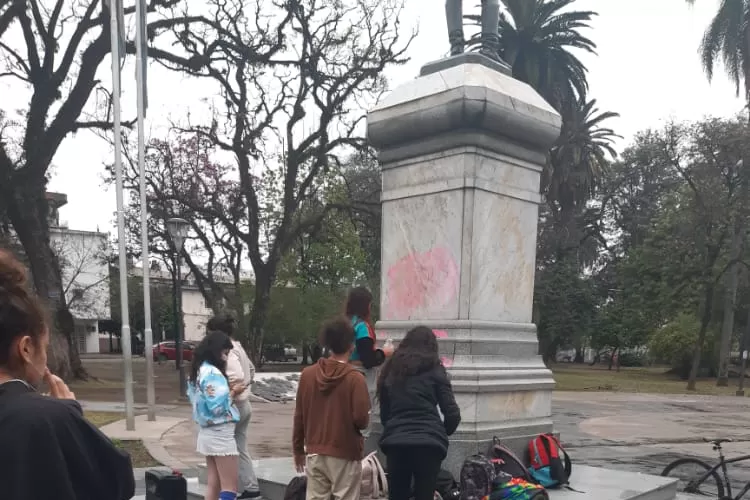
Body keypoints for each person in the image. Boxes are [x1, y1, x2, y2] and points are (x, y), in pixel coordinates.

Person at [0, 249, 135, 500]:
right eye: (45, 347)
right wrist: (69, 415)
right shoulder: (43, 418)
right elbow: (116, 482)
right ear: (27, 348)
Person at [377, 326, 461, 500]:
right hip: (429, 445)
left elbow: (385, 414)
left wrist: (395, 429)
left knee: (397, 495)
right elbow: (452, 414)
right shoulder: (436, 370)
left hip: (396, 443)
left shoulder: (391, 369)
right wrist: (439, 432)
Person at [293, 317, 370, 500]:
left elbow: (299, 416)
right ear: (351, 345)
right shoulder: (355, 379)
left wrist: (298, 450)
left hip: (315, 451)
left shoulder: (308, 375)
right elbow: (361, 419)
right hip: (346, 451)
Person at [207, 313, 260, 500]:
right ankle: (250, 486)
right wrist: (247, 385)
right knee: (240, 447)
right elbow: (251, 370)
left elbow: (236, 376)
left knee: (226, 451)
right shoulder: (238, 347)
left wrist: (232, 389)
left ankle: (229, 487)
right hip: (244, 404)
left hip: (234, 406)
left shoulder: (227, 353)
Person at [188, 330, 245, 500]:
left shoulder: (199, 371)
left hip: (208, 431)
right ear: (216, 350)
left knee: (214, 483)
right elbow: (218, 407)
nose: (226, 358)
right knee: (230, 487)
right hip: (221, 432)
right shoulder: (213, 373)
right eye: (225, 353)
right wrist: (233, 392)